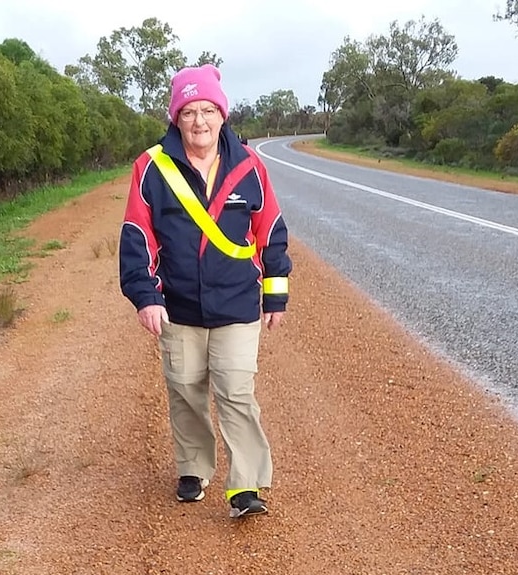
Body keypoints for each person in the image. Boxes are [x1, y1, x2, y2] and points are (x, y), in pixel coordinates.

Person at [118, 64, 292, 519]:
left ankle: (246, 487)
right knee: (186, 388)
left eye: (208, 111)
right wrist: (146, 297)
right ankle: (193, 468)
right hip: (177, 306)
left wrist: (275, 295)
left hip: (237, 304)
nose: (199, 121)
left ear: (222, 114)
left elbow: (271, 230)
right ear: (176, 117)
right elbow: (138, 236)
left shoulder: (250, 166)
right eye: (190, 111)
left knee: (236, 390)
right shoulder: (151, 167)